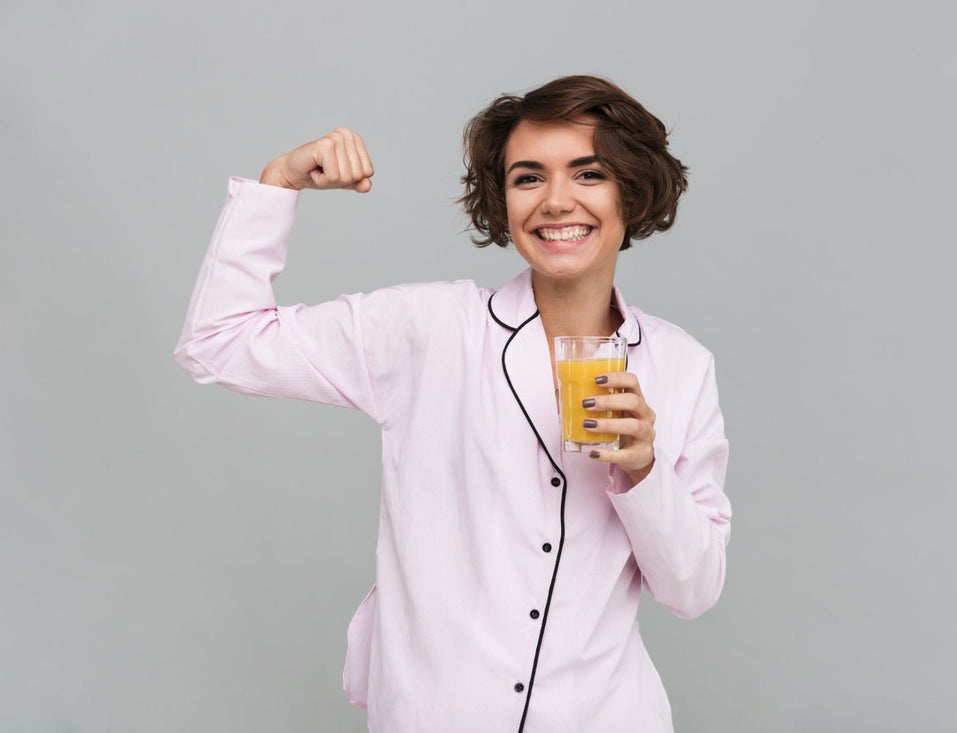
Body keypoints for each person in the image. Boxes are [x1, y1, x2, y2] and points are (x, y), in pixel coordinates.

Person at [175, 75, 732, 733]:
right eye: (528, 178)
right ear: (502, 200)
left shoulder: (681, 366)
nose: (557, 201)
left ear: (629, 191)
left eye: (588, 173)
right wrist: (278, 184)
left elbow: (693, 590)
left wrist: (644, 471)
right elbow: (219, 342)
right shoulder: (429, 329)